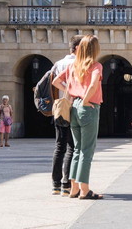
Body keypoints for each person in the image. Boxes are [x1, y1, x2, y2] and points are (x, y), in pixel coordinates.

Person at [52, 34, 103, 200]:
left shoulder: (74, 66)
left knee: (76, 150)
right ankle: (85, 190)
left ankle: (73, 188)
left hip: (74, 108)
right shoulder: (96, 66)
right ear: (94, 50)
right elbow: (94, 84)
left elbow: (56, 82)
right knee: (86, 151)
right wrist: (86, 99)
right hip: (88, 108)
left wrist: (73, 93)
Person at [51, 35, 82, 195]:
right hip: (72, 107)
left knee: (59, 146)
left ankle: (55, 185)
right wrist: (70, 91)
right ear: (77, 48)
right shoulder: (76, 63)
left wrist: (63, 89)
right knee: (72, 147)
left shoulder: (58, 63)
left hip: (59, 107)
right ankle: (66, 184)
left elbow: (54, 82)